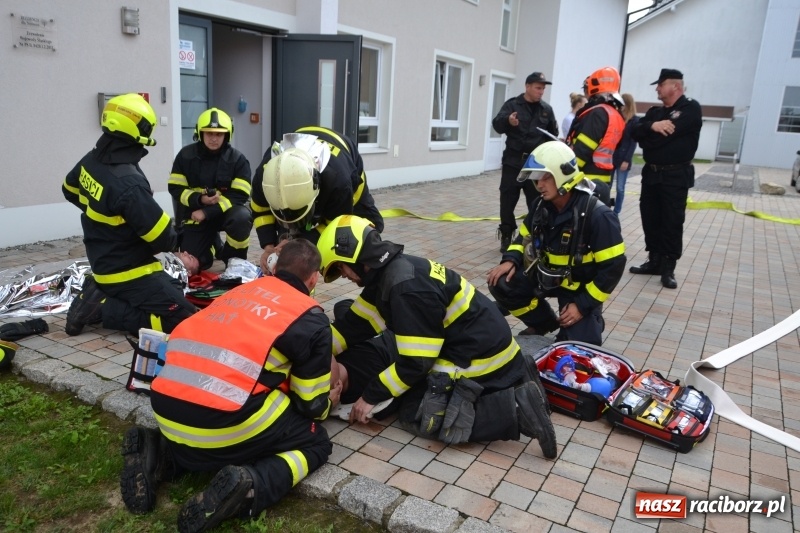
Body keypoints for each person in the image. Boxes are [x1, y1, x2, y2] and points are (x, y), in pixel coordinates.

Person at [119, 239, 335, 533]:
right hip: (224, 419)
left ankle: (160, 453)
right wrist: (330, 400)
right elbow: (310, 403)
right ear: (314, 278)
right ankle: (249, 487)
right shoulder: (310, 317)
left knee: (212, 430)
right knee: (316, 442)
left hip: (166, 403)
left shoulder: (238, 291)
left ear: (276, 267)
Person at [316, 215, 557, 458]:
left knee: (416, 411)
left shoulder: (403, 288)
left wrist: (370, 396)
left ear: (354, 255)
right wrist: (312, 350)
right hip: (485, 345)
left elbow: (416, 362)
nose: (343, 275)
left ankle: (516, 411)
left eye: (339, 267)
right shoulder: (392, 275)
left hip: (480, 359)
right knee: (408, 389)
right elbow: (352, 327)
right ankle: (519, 377)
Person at [62, 94, 196, 337]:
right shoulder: (128, 184)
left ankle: (99, 292)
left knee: (175, 288)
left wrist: (109, 219)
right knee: (185, 320)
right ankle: (102, 308)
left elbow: (69, 189)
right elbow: (164, 239)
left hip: (105, 260)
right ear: (135, 131)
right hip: (128, 270)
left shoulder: (93, 160)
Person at [487, 141, 626, 346]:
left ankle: (591, 321)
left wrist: (582, 305)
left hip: (578, 288)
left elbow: (613, 268)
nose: (539, 185)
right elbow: (523, 237)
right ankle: (543, 323)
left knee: (578, 348)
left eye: (546, 177)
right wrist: (511, 260)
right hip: (544, 277)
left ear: (564, 174)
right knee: (502, 283)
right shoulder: (540, 206)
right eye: (537, 178)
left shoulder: (598, 216)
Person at [251, 126, 383, 274]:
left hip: (347, 170)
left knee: (373, 224)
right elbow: (260, 209)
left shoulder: (339, 182)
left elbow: (334, 226)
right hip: (306, 142)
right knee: (287, 251)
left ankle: (372, 275)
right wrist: (269, 247)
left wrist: (300, 243)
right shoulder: (266, 174)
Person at [629, 69, 702, 289]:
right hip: (652, 174)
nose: (657, 89)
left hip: (675, 175)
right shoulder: (655, 113)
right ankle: (654, 261)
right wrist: (652, 126)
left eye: (660, 85)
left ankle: (668, 267)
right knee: (649, 217)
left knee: (671, 220)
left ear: (675, 87)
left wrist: (648, 137)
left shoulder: (690, 108)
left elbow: (654, 142)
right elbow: (633, 130)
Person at [168, 108, 253, 271]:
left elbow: (239, 195)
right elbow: (175, 188)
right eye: (209, 133)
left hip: (224, 213)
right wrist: (199, 200)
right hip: (195, 215)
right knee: (197, 264)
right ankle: (213, 245)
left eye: (219, 134)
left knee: (241, 217)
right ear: (200, 133)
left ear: (227, 135)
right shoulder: (185, 156)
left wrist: (207, 212)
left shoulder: (238, 160)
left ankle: (234, 260)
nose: (214, 138)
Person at [492, 72, 559, 252]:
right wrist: (508, 121)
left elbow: (553, 135)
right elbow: (497, 124)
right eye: (538, 87)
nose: (541, 91)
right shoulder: (512, 105)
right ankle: (507, 233)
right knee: (507, 201)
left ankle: (535, 234)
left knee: (537, 202)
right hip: (513, 163)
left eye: (543, 88)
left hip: (535, 165)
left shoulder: (546, 109)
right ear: (527, 86)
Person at [565, 66, 626, 206]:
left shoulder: (597, 113)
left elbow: (583, 150)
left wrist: (566, 173)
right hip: (604, 181)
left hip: (585, 180)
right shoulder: (616, 114)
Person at [611, 93, 640, 215]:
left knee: (620, 188)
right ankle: (606, 209)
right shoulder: (618, 117)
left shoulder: (634, 120)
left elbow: (633, 143)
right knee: (607, 185)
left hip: (623, 158)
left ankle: (616, 212)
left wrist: (626, 160)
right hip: (613, 156)